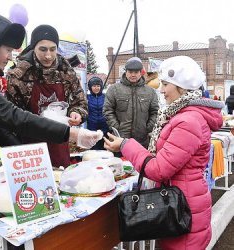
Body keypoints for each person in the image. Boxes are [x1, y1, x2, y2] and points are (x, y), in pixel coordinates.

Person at [0, 13, 100, 250]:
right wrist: (71, 134)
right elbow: (13, 117)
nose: (10, 56)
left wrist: (23, 153)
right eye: (7, 50)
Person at [104, 56, 224, 249]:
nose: (161, 90)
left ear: (181, 87)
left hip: (183, 206)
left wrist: (126, 144)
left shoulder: (188, 121)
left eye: (165, 84)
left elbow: (159, 169)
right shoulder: (183, 115)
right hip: (181, 202)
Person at [6, 24, 88, 168]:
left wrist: (76, 112)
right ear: (33, 48)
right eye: (42, 49)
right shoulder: (19, 75)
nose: (48, 55)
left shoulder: (66, 71)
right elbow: (10, 117)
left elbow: (80, 102)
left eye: (52, 49)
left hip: (59, 144)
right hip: (30, 150)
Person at [103, 56, 159, 149]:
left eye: (136, 72)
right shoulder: (114, 89)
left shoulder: (150, 92)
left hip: (141, 142)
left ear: (141, 73)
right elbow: (107, 111)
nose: (133, 75)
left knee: (140, 164)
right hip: (119, 141)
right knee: (120, 163)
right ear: (126, 72)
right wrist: (117, 128)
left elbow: (155, 112)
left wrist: (147, 128)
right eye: (130, 72)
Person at [87, 77, 109, 150]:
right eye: (94, 86)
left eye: (98, 86)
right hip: (92, 126)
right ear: (90, 87)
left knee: (104, 146)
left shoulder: (106, 97)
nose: (96, 88)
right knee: (93, 146)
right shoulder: (87, 97)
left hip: (104, 125)